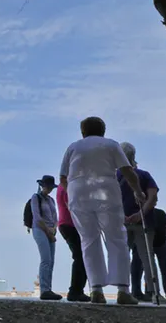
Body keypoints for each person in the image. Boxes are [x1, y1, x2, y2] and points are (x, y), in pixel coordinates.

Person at [59, 116, 145, 305]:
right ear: (103, 131)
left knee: (88, 240)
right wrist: (138, 191)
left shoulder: (73, 147)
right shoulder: (111, 145)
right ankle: (123, 290)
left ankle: (96, 290)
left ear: (83, 132)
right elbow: (127, 170)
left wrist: (71, 193)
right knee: (116, 238)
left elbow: (63, 177)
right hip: (106, 191)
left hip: (78, 193)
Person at [117, 142, 163, 304]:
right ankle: (155, 293)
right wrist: (140, 213)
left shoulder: (115, 176)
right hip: (144, 221)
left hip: (121, 222)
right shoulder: (144, 175)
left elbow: (108, 199)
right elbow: (153, 198)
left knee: (122, 256)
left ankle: (123, 291)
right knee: (147, 257)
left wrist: (122, 215)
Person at [130, 208, 166, 302]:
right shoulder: (140, 213)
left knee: (165, 269)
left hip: (161, 244)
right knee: (144, 268)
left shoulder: (160, 212)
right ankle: (146, 292)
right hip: (146, 244)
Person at [56, 181, 90, 302]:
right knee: (80, 257)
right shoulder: (67, 186)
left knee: (81, 257)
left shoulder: (64, 185)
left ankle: (77, 290)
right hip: (70, 225)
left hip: (67, 224)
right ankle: (75, 291)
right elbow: (72, 207)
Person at [30, 175, 62, 300]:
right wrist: (49, 233)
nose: (49, 189)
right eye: (48, 187)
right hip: (40, 229)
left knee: (51, 262)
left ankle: (48, 288)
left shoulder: (51, 200)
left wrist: (54, 229)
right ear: (43, 186)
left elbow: (55, 218)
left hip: (51, 231)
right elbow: (37, 218)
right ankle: (44, 290)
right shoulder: (36, 197)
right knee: (46, 260)